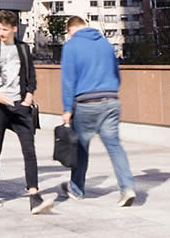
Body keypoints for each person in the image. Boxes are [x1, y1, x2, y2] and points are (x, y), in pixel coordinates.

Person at [0, 10, 53, 214]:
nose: (0, 33)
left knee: (29, 150)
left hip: (21, 106)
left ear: (14, 29)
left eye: (4, 29)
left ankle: (34, 195)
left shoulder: (23, 48)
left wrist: (29, 96)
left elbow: (31, 76)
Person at [61, 16, 136, 207]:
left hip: (87, 102)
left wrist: (67, 109)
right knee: (114, 146)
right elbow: (116, 73)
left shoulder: (71, 46)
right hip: (111, 100)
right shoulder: (105, 44)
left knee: (81, 147)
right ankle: (127, 187)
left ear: (70, 30)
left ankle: (76, 189)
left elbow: (68, 80)